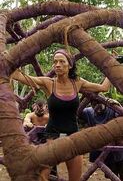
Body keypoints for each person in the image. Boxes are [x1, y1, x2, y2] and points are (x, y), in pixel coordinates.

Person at [11, 49, 110, 181]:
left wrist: (114, 65)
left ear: (70, 65)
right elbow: (18, 76)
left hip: (73, 135)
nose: (57, 65)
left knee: (75, 178)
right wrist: (14, 58)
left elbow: (103, 87)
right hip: (52, 135)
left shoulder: (77, 82)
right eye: (55, 62)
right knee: (42, 176)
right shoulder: (48, 82)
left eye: (61, 61)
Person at [78, 100, 123, 180]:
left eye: (99, 103)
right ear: (91, 105)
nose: (97, 106)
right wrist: (84, 99)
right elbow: (77, 112)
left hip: (118, 149)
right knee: (112, 175)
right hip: (105, 152)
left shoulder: (112, 109)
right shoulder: (89, 112)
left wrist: (117, 104)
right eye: (94, 104)